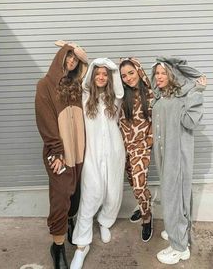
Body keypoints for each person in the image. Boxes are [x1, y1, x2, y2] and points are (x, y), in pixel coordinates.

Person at [35, 40, 88, 269]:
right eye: (68, 56)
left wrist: (75, 48)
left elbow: (90, 64)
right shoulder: (45, 85)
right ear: (60, 57)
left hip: (78, 151)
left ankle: (69, 222)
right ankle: (57, 247)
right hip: (58, 153)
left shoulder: (77, 86)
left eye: (75, 59)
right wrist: (56, 152)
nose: (71, 61)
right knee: (61, 196)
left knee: (75, 194)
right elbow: (45, 121)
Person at [150, 57, 207, 265]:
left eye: (163, 73)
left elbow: (190, 121)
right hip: (165, 156)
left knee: (174, 197)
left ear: (172, 75)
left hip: (177, 157)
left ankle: (179, 247)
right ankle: (177, 230)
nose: (159, 76)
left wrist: (196, 92)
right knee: (172, 196)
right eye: (157, 73)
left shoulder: (182, 98)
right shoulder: (162, 97)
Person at [70, 58, 125, 269]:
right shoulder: (84, 98)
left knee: (113, 192)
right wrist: (95, 63)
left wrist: (113, 68)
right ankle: (81, 247)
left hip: (114, 152)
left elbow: (120, 89)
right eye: (98, 73)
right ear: (92, 76)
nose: (101, 77)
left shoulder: (115, 99)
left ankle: (105, 221)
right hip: (92, 154)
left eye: (105, 74)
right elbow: (81, 79)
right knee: (91, 194)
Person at [118, 57, 154, 242]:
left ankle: (147, 218)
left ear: (139, 70)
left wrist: (148, 142)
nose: (128, 78)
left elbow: (157, 122)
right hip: (124, 148)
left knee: (140, 186)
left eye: (131, 73)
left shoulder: (150, 93)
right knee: (133, 184)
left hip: (141, 147)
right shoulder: (121, 95)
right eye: (124, 75)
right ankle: (143, 207)